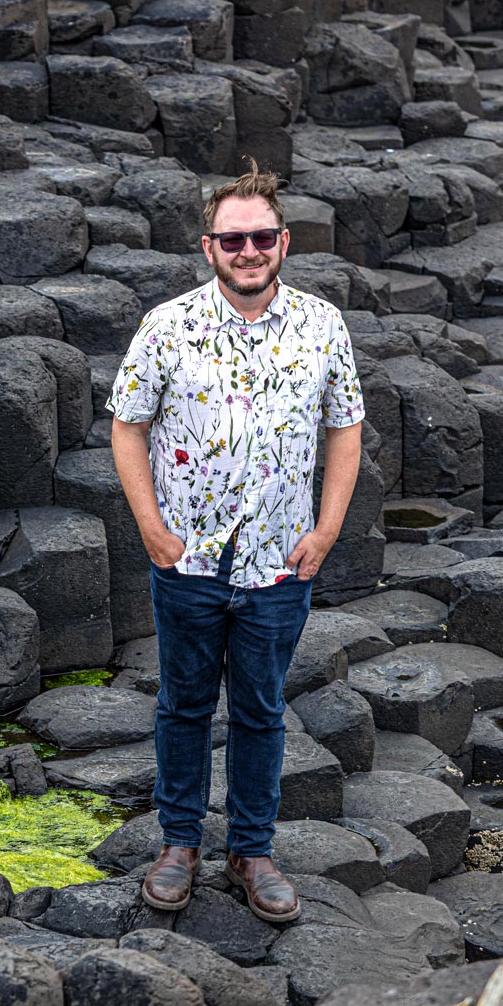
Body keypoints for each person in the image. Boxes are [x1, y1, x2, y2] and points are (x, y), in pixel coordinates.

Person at [105, 159, 365, 920]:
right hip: (186, 559)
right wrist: (152, 528)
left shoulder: (323, 325)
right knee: (184, 705)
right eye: (233, 240)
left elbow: (345, 431)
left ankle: (252, 851)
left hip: (280, 563)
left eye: (260, 238)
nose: (248, 251)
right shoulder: (168, 325)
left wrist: (325, 533)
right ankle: (179, 843)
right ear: (209, 247)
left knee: (260, 708)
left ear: (282, 242)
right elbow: (126, 425)